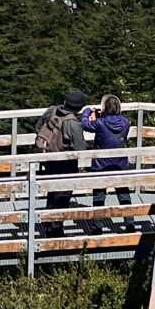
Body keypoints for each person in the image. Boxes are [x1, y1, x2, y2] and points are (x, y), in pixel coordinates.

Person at [34, 90, 88, 235]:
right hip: (65, 162)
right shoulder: (73, 123)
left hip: (48, 158)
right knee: (63, 195)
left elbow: (38, 127)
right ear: (80, 107)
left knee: (52, 192)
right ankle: (55, 229)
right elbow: (79, 148)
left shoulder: (51, 110)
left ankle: (47, 222)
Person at [82, 94, 136, 230]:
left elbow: (85, 124)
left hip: (101, 164)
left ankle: (97, 226)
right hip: (120, 163)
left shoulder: (100, 123)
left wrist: (87, 111)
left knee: (99, 194)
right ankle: (130, 223)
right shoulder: (126, 122)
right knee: (123, 193)